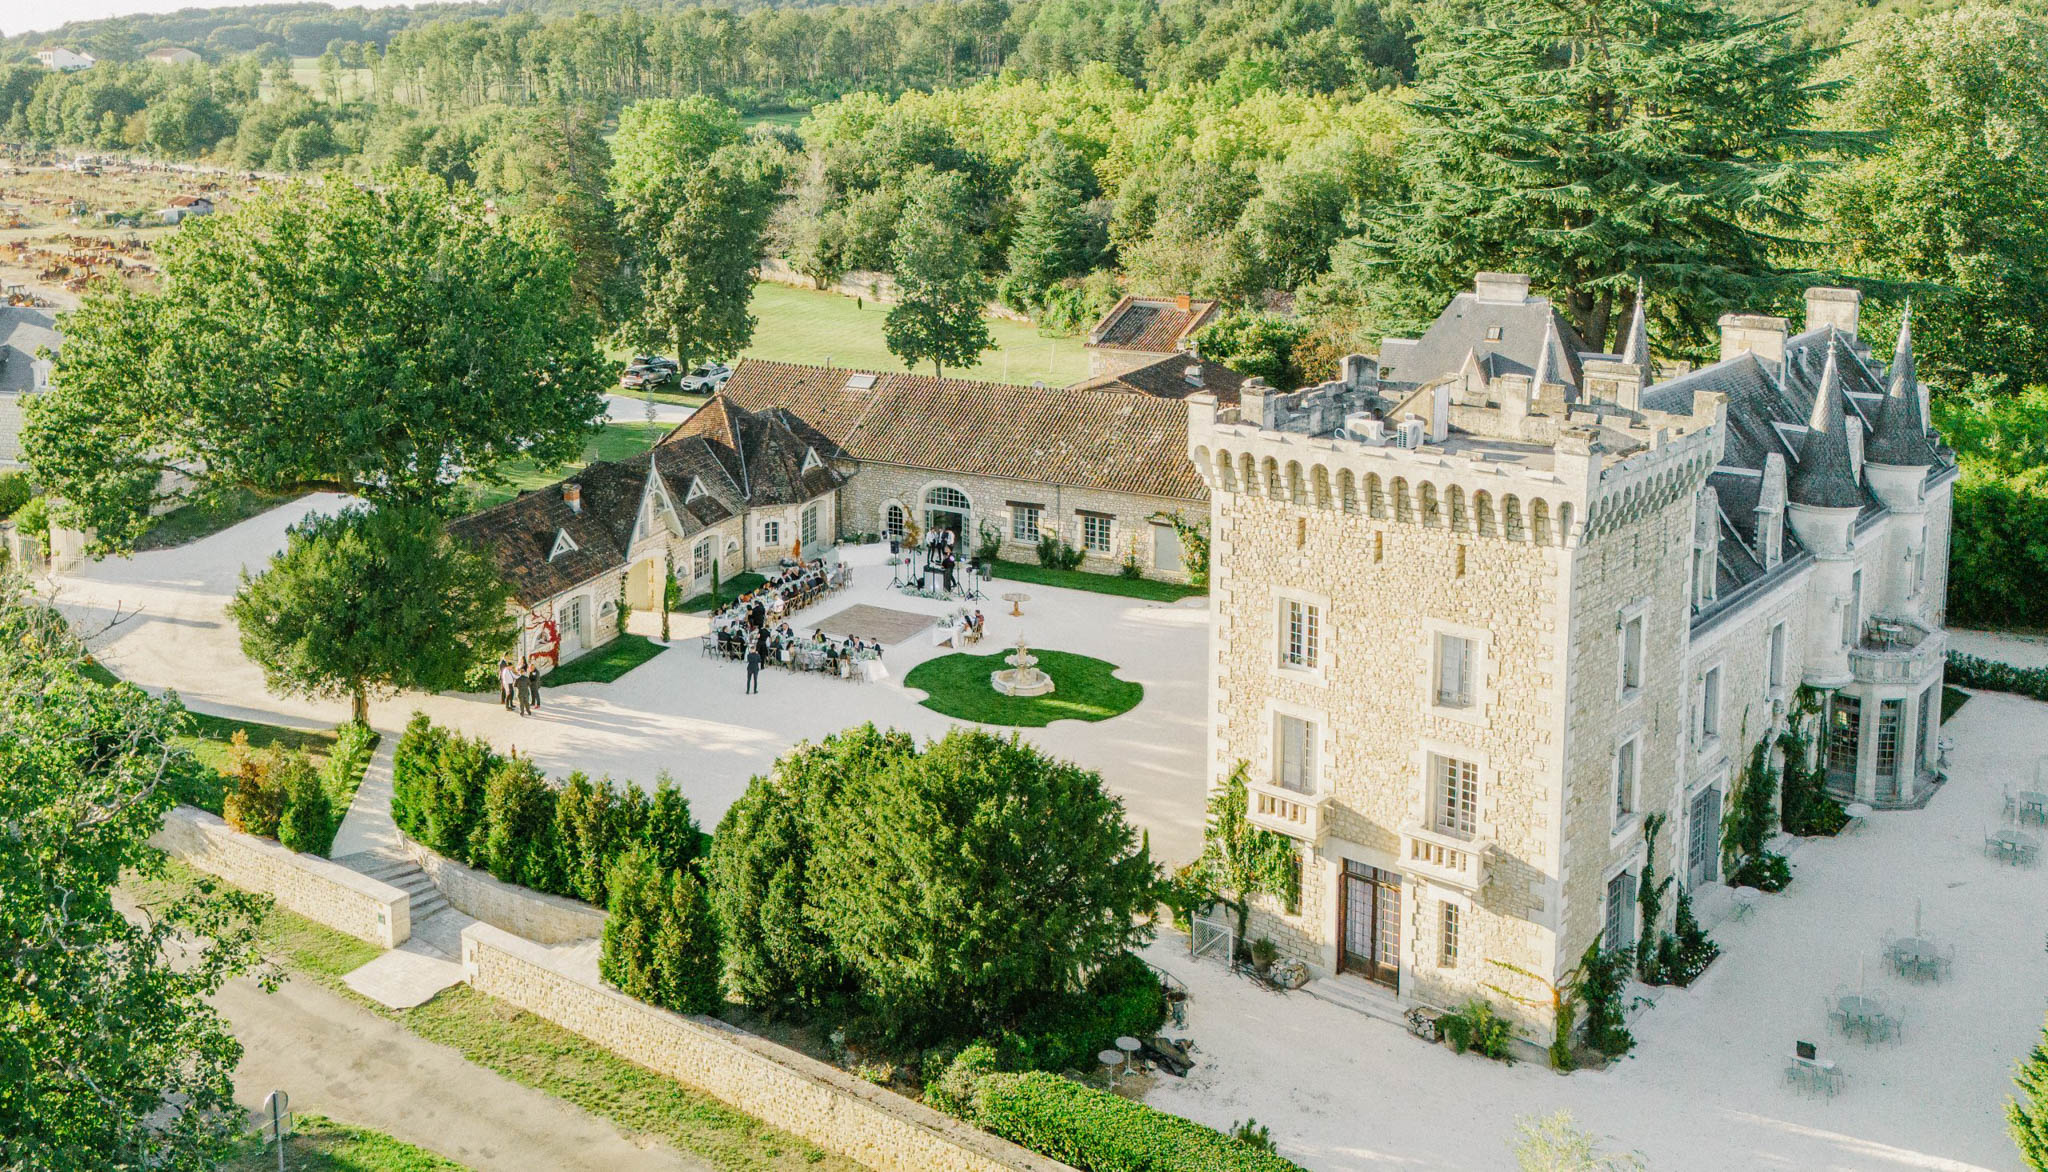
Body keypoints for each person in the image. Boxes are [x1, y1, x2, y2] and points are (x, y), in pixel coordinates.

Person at [746, 627, 765, 694]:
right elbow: (760, 660)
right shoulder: (757, 655)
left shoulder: (748, 655)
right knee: (755, 680)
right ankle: (754, 690)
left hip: (749, 668)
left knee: (748, 680)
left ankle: (747, 690)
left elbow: (748, 660)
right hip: (755, 668)